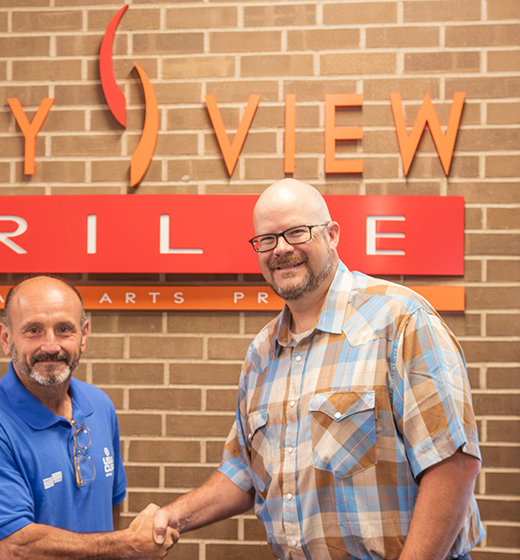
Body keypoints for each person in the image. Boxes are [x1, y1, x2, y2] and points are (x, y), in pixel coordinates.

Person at [151, 179, 483, 559]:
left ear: (332, 235)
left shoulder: (401, 320)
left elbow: (452, 466)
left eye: (296, 232)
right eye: (267, 239)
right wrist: (172, 516)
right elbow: (243, 473)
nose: (282, 249)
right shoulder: (262, 353)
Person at [0, 275, 178, 560]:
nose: (51, 346)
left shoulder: (99, 405)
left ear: (84, 336)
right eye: (33, 330)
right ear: (6, 339)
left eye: (64, 329)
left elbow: (110, 505)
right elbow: (17, 547)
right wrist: (124, 546)